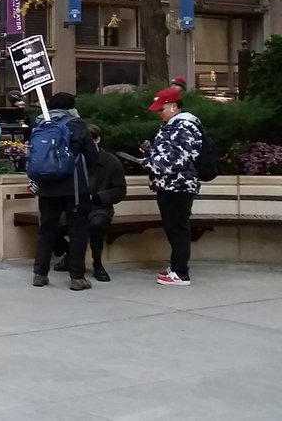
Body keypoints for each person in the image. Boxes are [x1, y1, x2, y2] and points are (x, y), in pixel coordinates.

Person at [30, 92, 100, 291]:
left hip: (46, 187)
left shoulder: (41, 124)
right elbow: (93, 156)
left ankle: (39, 273)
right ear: (71, 107)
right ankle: (77, 277)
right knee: (78, 232)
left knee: (46, 230)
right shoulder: (76, 125)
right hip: (74, 188)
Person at [144, 87, 203, 287]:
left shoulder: (184, 126)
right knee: (173, 228)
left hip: (178, 185)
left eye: (162, 109)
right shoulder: (172, 125)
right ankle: (176, 266)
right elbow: (169, 152)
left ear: (174, 106)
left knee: (178, 229)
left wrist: (151, 164)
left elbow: (180, 158)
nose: (159, 113)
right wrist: (150, 153)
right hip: (169, 185)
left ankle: (180, 272)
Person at [54, 124, 127, 282]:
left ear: (98, 139)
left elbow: (120, 190)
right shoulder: (73, 158)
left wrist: (98, 197)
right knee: (54, 224)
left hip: (98, 207)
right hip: (74, 206)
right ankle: (70, 255)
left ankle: (97, 263)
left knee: (96, 224)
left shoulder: (111, 162)